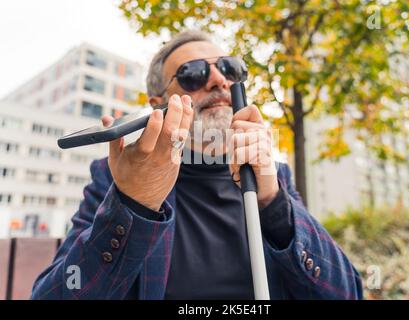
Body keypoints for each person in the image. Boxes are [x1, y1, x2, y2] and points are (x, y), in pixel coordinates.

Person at [31, 30, 363, 299]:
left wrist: (274, 204)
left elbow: (347, 293)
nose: (219, 81)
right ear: (159, 104)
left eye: (230, 69)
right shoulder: (117, 176)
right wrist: (134, 203)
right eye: (193, 74)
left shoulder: (273, 176)